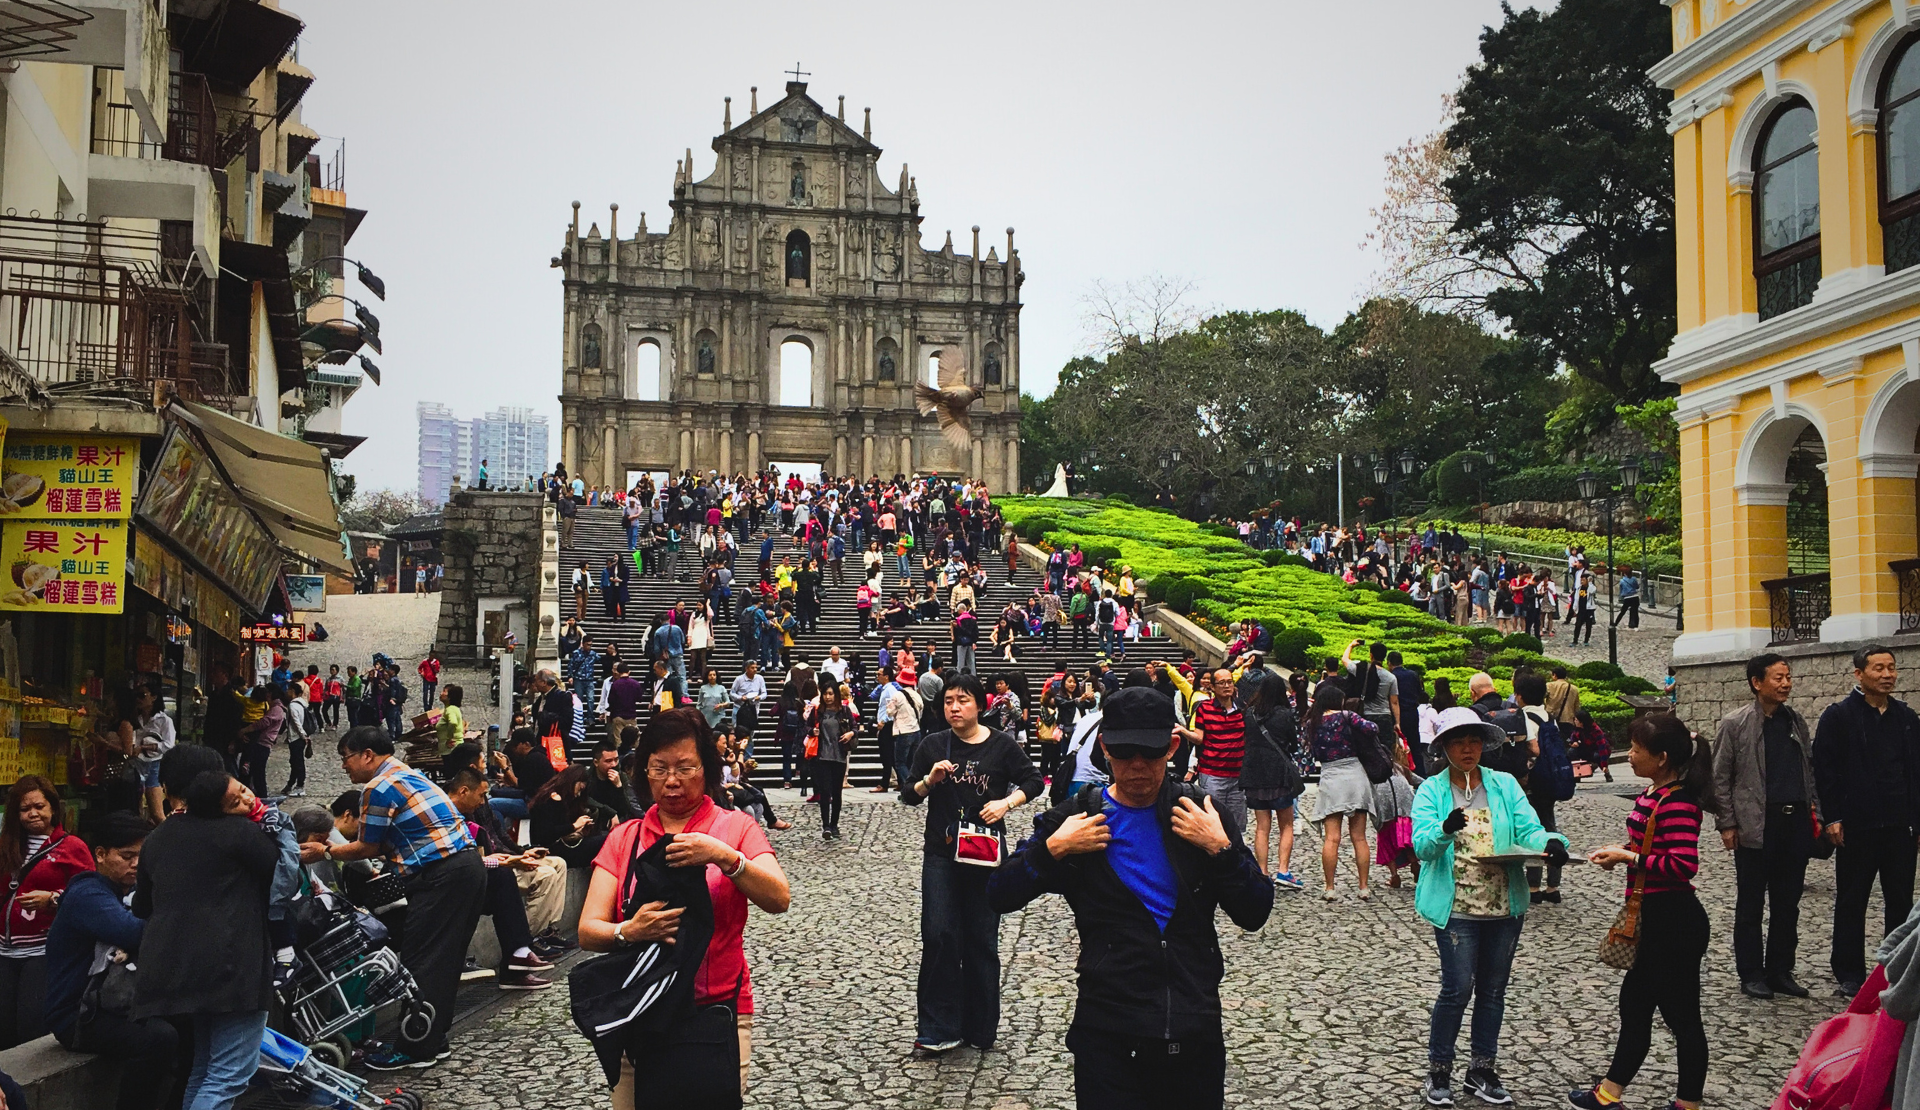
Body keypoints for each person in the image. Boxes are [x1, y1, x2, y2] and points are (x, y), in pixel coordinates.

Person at [986, 684, 1272, 1109]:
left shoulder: (1202, 814)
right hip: (1108, 1031)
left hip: (1192, 1026)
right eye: (1124, 754)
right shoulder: (1078, 817)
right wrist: (1052, 850)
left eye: (1151, 753)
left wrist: (1221, 850)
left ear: (1173, 747)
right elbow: (999, 894)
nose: (1137, 766)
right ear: (1104, 749)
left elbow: (1255, 911)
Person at [578, 708, 791, 1105]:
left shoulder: (735, 828)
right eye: (659, 768)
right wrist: (630, 930)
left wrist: (727, 859)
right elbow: (589, 930)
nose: (672, 781)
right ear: (643, 772)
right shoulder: (626, 837)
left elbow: (779, 897)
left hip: (715, 1013)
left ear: (706, 768)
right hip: (639, 1010)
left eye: (685, 768)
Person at [300, 726, 485, 1070]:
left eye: (346, 758)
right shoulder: (407, 775)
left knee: (423, 961)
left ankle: (414, 1048)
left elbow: (367, 846)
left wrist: (326, 851)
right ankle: (434, 1039)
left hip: (441, 876)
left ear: (367, 754)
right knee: (444, 960)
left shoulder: (379, 786)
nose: (344, 767)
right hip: (465, 868)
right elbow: (389, 841)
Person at [1414, 708, 1568, 1107]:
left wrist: (1551, 843)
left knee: (1493, 990)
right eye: (1459, 742)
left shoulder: (1504, 786)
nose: (1468, 749)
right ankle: (1439, 1069)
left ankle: (1482, 1068)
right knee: (1457, 988)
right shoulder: (1431, 790)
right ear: (1445, 747)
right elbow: (1422, 846)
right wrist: (1445, 830)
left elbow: (1528, 828)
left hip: (1504, 906)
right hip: (1456, 908)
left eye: (1474, 741)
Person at [1569, 713, 1713, 1110]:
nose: (1629, 756)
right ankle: (1613, 1093)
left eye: (1635, 750)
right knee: (1641, 1007)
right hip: (1653, 914)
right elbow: (1649, 847)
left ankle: (1678, 1102)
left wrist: (1628, 856)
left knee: (1676, 1014)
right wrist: (1623, 853)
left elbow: (1683, 865)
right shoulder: (1653, 794)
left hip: (1674, 920)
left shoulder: (1680, 802)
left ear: (1662, 757)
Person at [902, 672, 1044, 1053]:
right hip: (942, 855)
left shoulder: (1001, 746)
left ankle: (980, 1027)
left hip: (985, 854)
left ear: (979, 705)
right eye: (948, 701)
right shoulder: (933, 744)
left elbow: (1034, 781)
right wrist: (929, 781)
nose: (954, 707)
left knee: (981, 940)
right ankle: (936, 1027)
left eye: (962, 700)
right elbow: (908, 794)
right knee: (939, 934)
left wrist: (1006, 803)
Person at [133, 768, 279, 1109]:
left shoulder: (158, 837)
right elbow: (280, 877)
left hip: (173, 967)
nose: (247, 799)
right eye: (236, 797)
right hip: (232, 967)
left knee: (203, 1070)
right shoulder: (240, 833)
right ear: (217, 805)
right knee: (228, 1075)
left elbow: (142, 904)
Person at [45, 812, 176, 1110]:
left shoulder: (127, 891)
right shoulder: (87, 894)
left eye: (141, 856)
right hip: (78, 1015)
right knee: (159, 1038)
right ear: (101, 855)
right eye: (126, 856)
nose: (136, 865)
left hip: (115, 1004)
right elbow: (131, 932)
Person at [1813, 644, 1920, 996]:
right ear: (1859, 674)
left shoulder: (1906, 718)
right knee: (1852, 899)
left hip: (1899, 824)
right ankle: (1848, 972)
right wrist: (1833, 818)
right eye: (1879, 668)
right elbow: (1825, 772)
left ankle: (1897, 968)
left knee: (1900, 900)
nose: (1887, 675)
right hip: (1857, 825)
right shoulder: (1838, 716)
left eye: (1891, 668)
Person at [1711, 652, 1817, 1000]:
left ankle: (1780, 970)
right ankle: (1751, 972)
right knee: (1751, 903)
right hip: (1756, 825)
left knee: (1788, 903)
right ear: (1757, 683)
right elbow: (1720, 778)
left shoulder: (1794, 721)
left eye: (1788, 677)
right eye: (1778, 677)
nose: (1785, 683)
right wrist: (1727, 823)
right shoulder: (1735, 723)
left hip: (1794, 822)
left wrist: (1813, 809)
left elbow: (1808, 771)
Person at [0, 775, 92, 1048]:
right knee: (3, 1025)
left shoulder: (71, 847)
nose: (33, 814)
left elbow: (89, 895)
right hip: (4, 952)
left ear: (53, 807)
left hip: (43, 950)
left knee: (31, 1023)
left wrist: (52, 899)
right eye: (25, 809)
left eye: (39, 806)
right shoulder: (6, 847)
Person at [1302, 681, 1378, 900]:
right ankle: (1363, 887)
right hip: (1354, 774)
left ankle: (1330, 887)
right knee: (1359, 837)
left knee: (1332, 838)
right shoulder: (1347, 716)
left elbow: (1308, 751)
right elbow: (1372, 729)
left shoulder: (1312, 722)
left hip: (1330, 776)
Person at [1241, 674, 1303, 890]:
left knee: (1261, 827)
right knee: (1286, 824)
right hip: (1279, 773)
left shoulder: (1249, 713)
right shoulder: (1284, 714)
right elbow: (1294, 745)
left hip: (1254, 773)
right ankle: (1283, 870)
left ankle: (1263, 872)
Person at [1178, 667, 1251, 838]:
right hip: (1212, 773)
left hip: (1237, 775)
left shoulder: (1243, 709)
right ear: (1212, 687)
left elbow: (1248, 737)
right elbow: (1199, 737)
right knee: (1213, 820)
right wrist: (1182, 730)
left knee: (1237, 825)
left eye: (1229, 682)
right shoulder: (1204, 709)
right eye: (1222, 683)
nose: (1227, 686)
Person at [807, 685, 856, 840]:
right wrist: (811, 731)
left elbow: (855, 727)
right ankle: (826, 825)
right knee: (825, 791)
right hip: (822, 756)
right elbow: (805, 727)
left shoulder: (844, 711)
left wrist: (850, 733)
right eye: (825, 694)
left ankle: (834, 824)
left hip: (839, 755)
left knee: (837, 792)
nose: (828, 697)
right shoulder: (817, 712)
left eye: (830, 694)